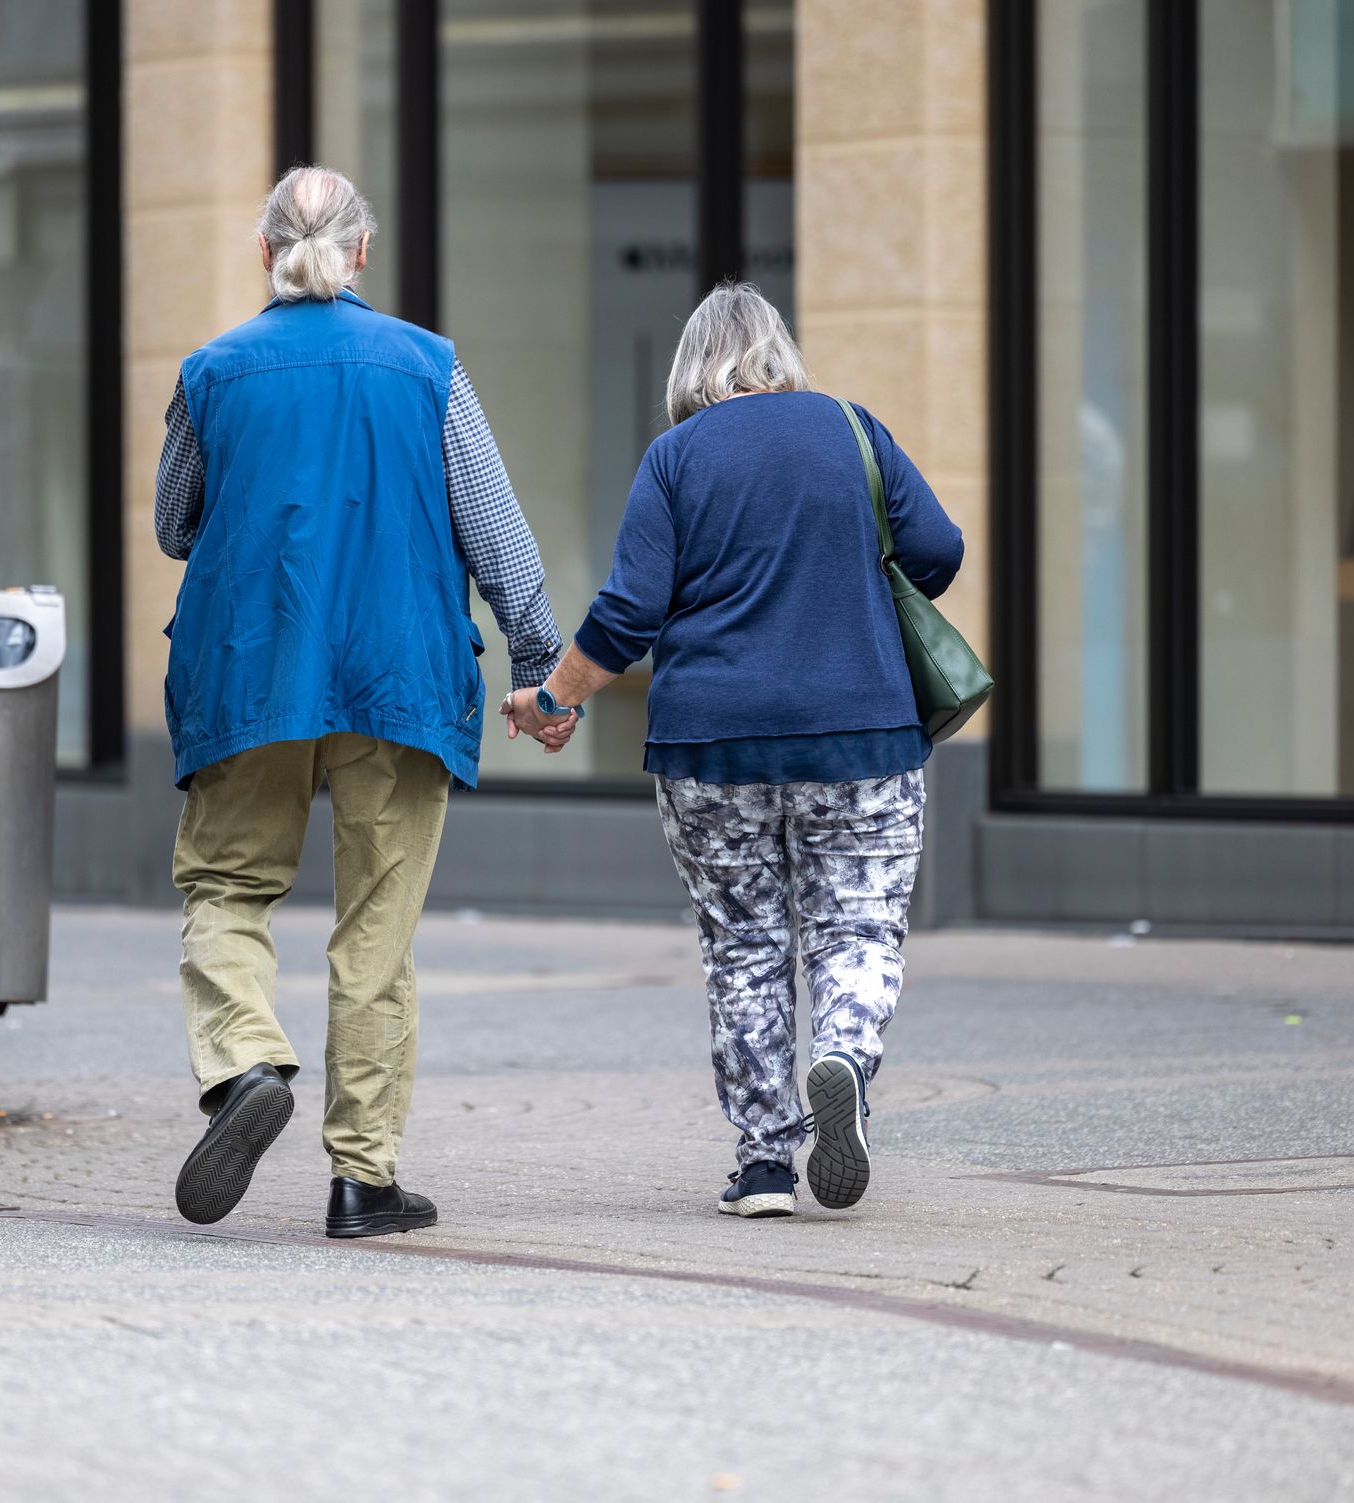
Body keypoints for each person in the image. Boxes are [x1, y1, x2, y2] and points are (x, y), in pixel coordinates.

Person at [155, 166, 568, 1239]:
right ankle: (361, 1177)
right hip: (397, 671)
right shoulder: (427, 367)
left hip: (251, 667)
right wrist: (539, 662)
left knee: (227, 888)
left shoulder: (210, 373)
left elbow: (174, 523)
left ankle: (244, 1065)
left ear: (263, 254)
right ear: (361, 254)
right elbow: (493, 527)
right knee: (377, 928)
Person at [501, 282, 963, 1219]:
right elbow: (940, 551)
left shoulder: (676, 456)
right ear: (777, 354)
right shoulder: (854, 429)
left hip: (710, 745)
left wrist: (554, 699)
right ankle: (843, 1057)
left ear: (691, 368)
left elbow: (629, 611)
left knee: (744, 943)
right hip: (861, 730)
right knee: (858, 927)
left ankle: (762, 1164)